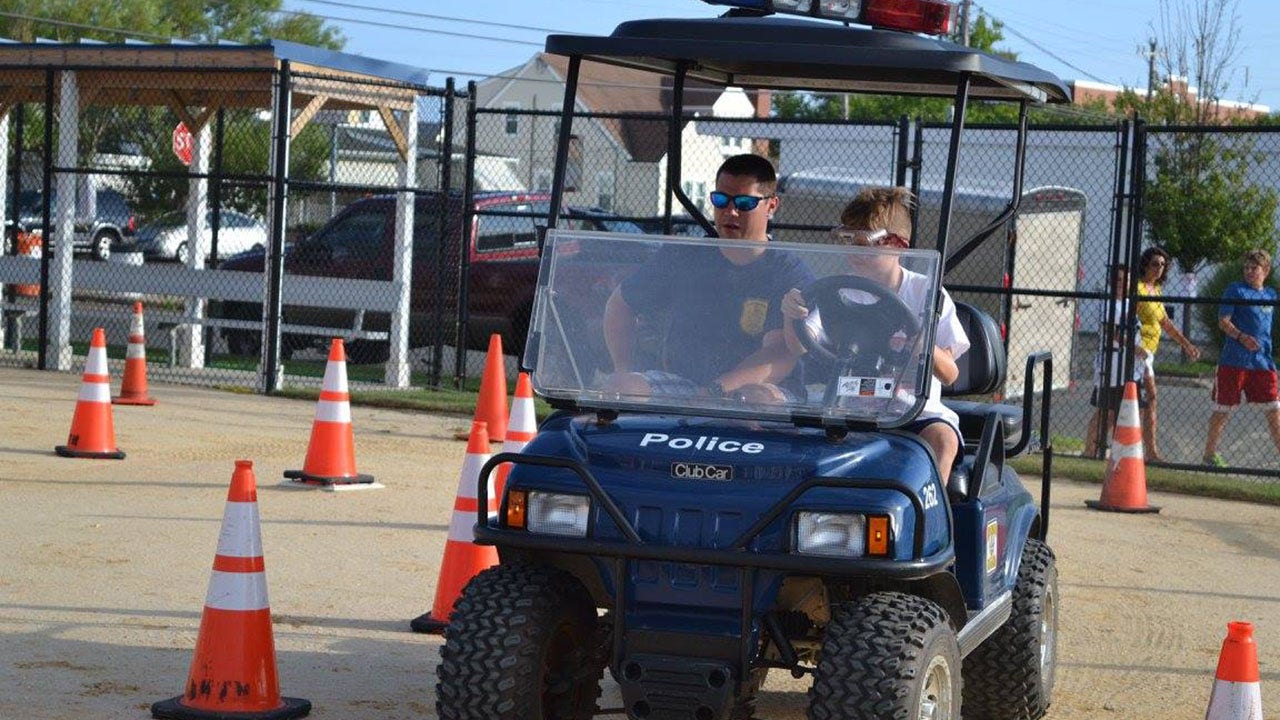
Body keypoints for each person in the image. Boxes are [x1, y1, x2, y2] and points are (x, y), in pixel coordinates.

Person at [779, 187, 969, 482]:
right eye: (847, 240)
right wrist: (791, 316)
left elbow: (950, 374)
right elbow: (799, 347)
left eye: (864, 242)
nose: (855, 251)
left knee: (943, 439)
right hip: (849, 408)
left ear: (898, 245)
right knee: (794, 440)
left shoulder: (926, 294)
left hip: (914, 413)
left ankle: (928, 522)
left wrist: (924, 346)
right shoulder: (836, 291)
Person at [602, 153, 813, 398]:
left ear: (771, 205)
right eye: (721, 200)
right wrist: (623, 369)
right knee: (621, 389)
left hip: (764, 389)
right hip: (688, 385)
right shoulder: (682, 256)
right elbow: (620, 304)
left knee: (757, 399)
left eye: (744, 203)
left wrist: (715, 392)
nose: (731, 212)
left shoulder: (788, 273)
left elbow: (779, 353)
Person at [1202, 249, 1280, 467]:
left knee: (1274, 410)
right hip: (1234, 362)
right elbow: (1223, 321)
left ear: (1265, 270)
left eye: (1254, 268)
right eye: (1246, 267)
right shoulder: (1235, 290)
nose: (1249, 271)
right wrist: (1241, 336)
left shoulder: (1271, 295)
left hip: (1263, 363)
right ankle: (1209, 455)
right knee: (1223, 410)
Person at [1135, 246, 1201, 462]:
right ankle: (1151, 452)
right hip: (1138, 351)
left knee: (1141, 401)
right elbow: (1127, 321)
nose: (1159, 268)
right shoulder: (1138, 289)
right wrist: (1134, 345)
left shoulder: (1155, 291)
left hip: (1149, 352)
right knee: (1150, 398)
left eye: (1163, 265)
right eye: (1155, 263)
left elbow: (1165, 323)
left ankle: (1147, 450)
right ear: (1145, 264)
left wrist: (1186, 344)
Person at [1083, 265, 1145, 459]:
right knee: (1105, 412)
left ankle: (1118, 454)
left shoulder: (1129, 304)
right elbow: (1112, 333)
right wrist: (1134, 347)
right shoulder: (1108, 304)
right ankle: (1089, 451)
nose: (1121, 284)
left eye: (1125, 280)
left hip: (1130, 369)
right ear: (1111, 282)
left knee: (1124, 413)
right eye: (1118, 280)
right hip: (1111, 368)